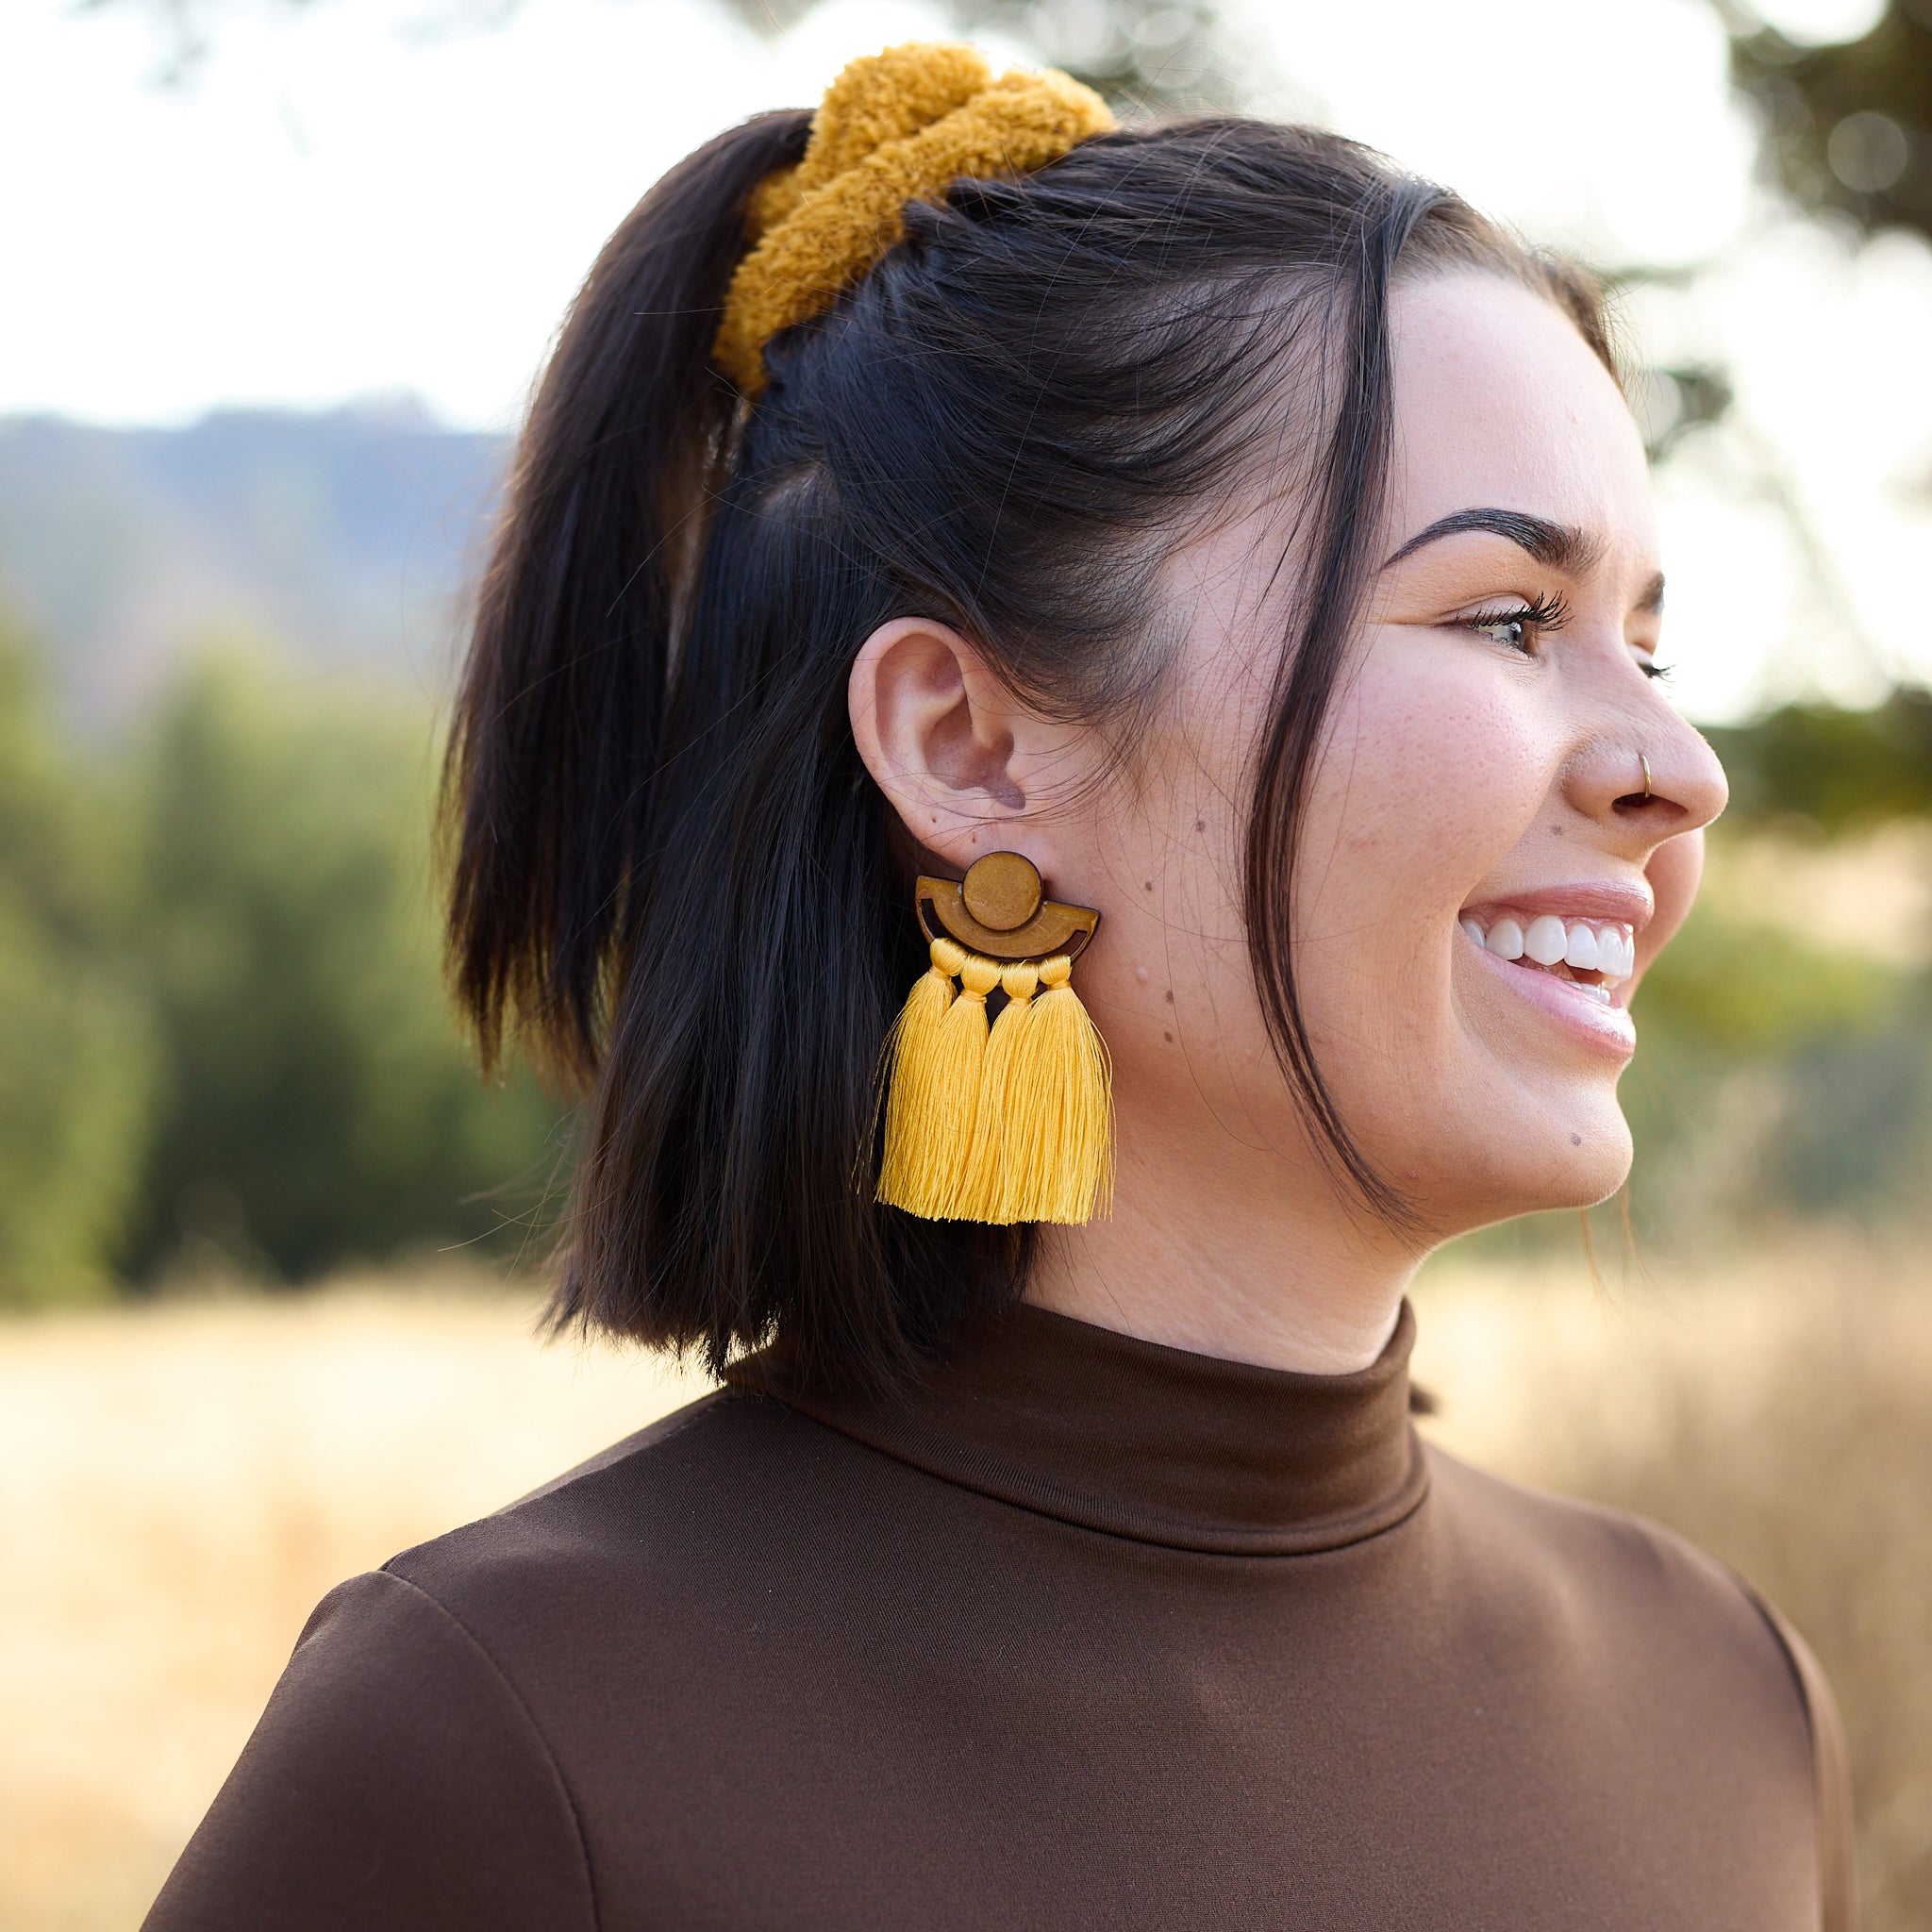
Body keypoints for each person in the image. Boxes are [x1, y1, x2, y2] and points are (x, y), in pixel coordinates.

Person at [143, 42, 1854, 1931]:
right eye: (1504, 618)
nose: (1670, 772)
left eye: (1647, 644)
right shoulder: (507, 1756)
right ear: (963, 744)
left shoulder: (1726, 1706)